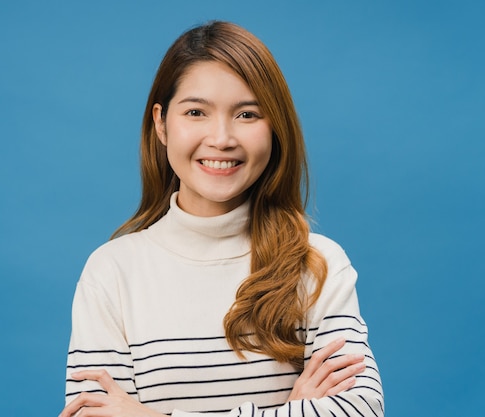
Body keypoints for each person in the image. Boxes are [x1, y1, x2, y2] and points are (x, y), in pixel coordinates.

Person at [60, 21, 384, 417]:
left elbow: (361, 411)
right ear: (161, 123)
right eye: (196, 112)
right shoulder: (111, 272)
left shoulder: (318, 265)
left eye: (247, 115)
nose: (221, 138)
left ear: (275, 128)